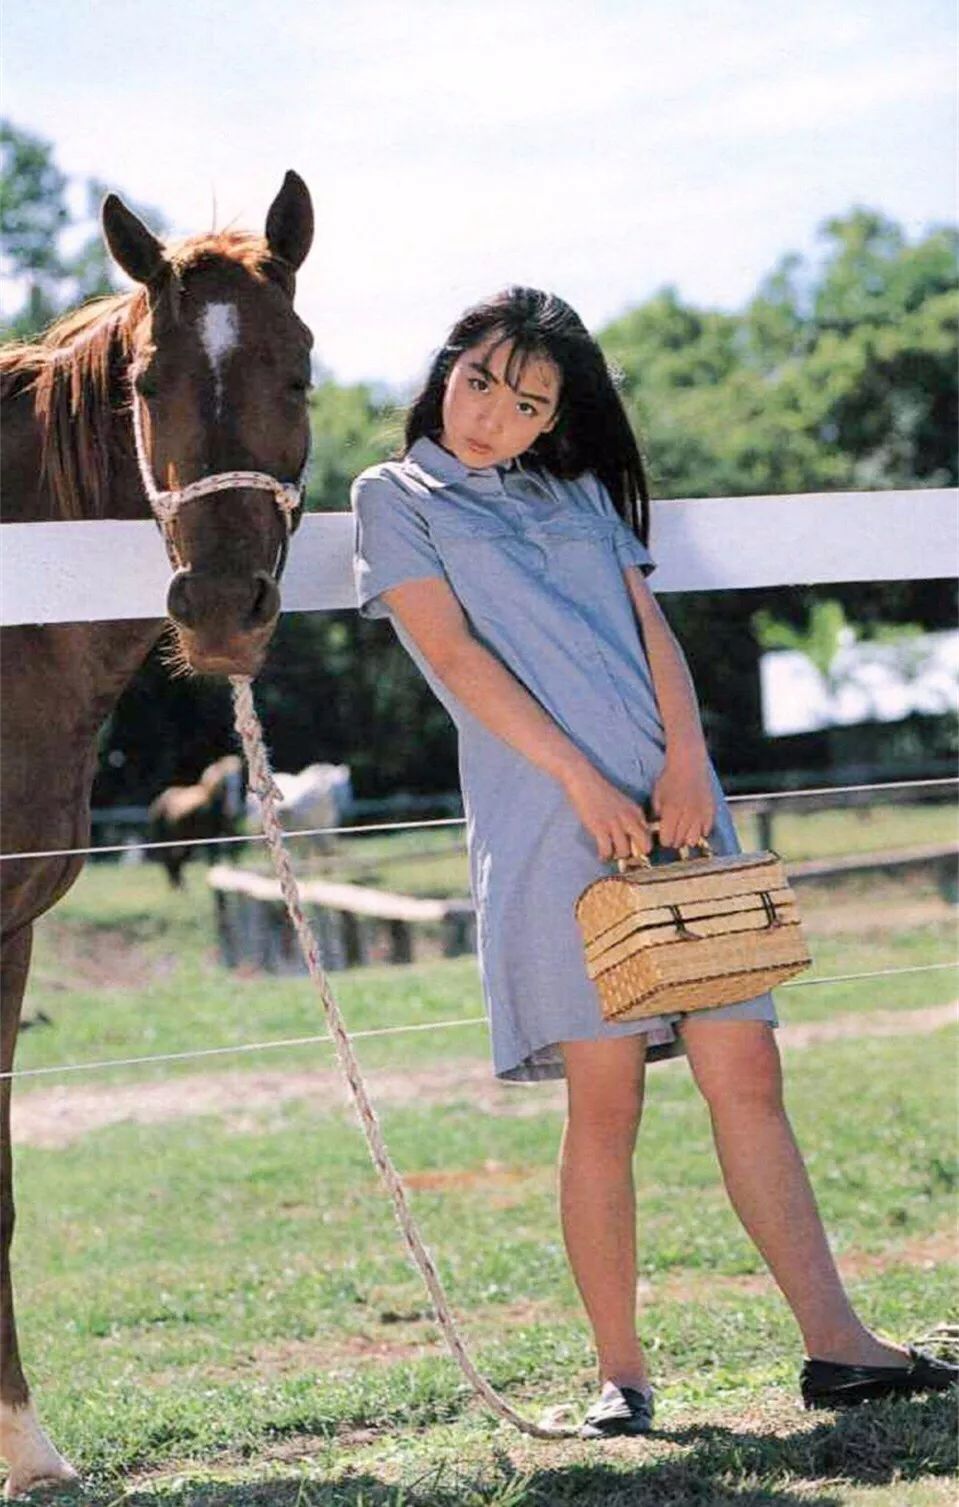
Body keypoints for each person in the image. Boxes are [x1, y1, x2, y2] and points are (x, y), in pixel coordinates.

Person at [350, 287, 956, 1437]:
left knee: (747, 1076)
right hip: (547, 822)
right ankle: (619, 1377)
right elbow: (452, 658)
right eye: (478, 379)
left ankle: (836, 1345)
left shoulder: (578, 493)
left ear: (551, 421)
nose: (490, 413)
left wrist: (687, 761)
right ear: (443, 371)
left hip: (680, 810)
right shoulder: (393, 497)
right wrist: (582, 783)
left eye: (524, 402)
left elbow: (650, 634)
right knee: (606, 1097)